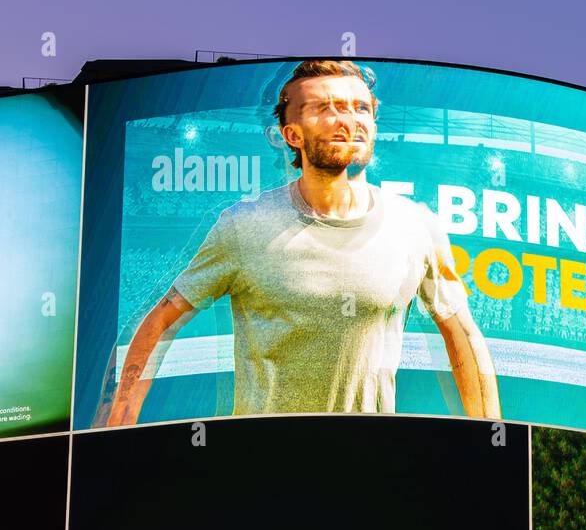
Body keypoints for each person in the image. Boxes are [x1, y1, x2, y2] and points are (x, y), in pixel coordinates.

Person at [104, 59, 499, 425]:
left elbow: (462, 332)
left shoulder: (415, 226)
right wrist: (121, 415)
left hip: (369, 464)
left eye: (361, 109)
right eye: (326, 109)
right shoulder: (245, 226)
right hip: (265, 469)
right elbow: (161, 320)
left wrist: (493, 436)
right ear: (291, 134)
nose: (348, 120)